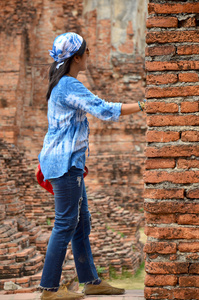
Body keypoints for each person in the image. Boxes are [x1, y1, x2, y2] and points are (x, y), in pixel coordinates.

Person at [37, 32, 146, 300]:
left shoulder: (62, 84)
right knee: (65, 223)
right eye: (87, 52)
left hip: (67, 162)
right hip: (64, 164)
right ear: (76, 57)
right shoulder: (68, 86)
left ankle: (91, 281)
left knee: (81, 223)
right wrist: (144, 105)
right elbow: (103, 109)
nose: (89, 56)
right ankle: (49, 289)